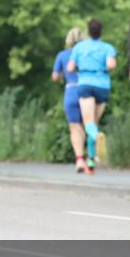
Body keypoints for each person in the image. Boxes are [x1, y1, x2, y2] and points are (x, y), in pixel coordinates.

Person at [68, 19, 116, 174]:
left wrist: (81, 67)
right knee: (94, 122)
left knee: (88, 123)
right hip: (102, 85)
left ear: (88, 31)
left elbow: (70, 68)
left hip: (86, 83)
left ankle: (97, 137)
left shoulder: (79, 47)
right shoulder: (107, 47)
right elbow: (111, 65)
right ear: (101, 32)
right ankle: (90, 161)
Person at [52, 27, 88, 172]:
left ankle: (79, 159)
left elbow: (55, 77)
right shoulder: (86, 54)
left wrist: (63, 74)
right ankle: (89, 157)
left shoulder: (62, 55)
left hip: (71, 90)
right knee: (86, 125)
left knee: (74, 126)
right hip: (86, 90)